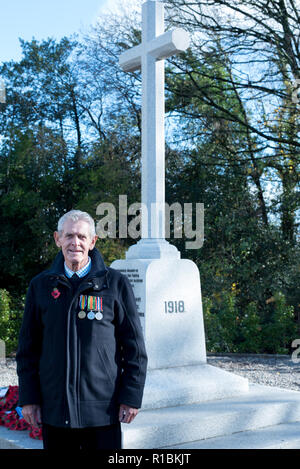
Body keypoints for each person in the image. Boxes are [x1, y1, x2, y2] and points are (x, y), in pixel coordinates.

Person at [16, 210, 148, 449]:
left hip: (102, 412)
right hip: (55, 412)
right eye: (68, 236)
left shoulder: (116, 284)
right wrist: (29, 399)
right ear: (58, 239)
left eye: (81, 237)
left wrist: (131, 397)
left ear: (93, 241)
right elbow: (27, 350)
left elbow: (134, 349)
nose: (74, 243)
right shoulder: (40, 286)